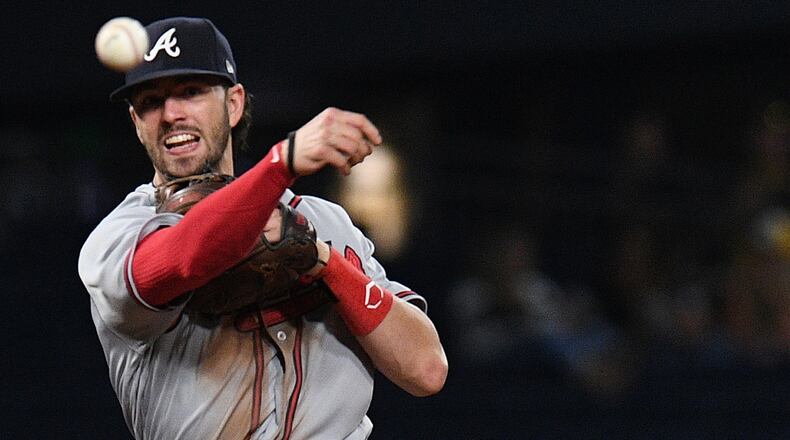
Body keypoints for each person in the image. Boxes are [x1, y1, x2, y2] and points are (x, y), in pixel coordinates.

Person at [78, 17, 447, 440]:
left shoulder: (323, 222)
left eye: (191, 92)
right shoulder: (121, 235)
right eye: (150, 101)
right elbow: (173, 264)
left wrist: (324, 264)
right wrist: (281, 164)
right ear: (136, 121)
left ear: (234, 104)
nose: (171, 114)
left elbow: (426, 370)